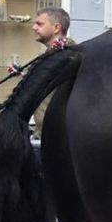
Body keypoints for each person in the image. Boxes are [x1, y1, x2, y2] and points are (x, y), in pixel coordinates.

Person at [31, 7, 75, 140]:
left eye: (39, 24)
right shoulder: (50, 56)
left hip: (60, 137)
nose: (33, 27)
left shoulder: (70, 57)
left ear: (56, 28)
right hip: (43, 134)